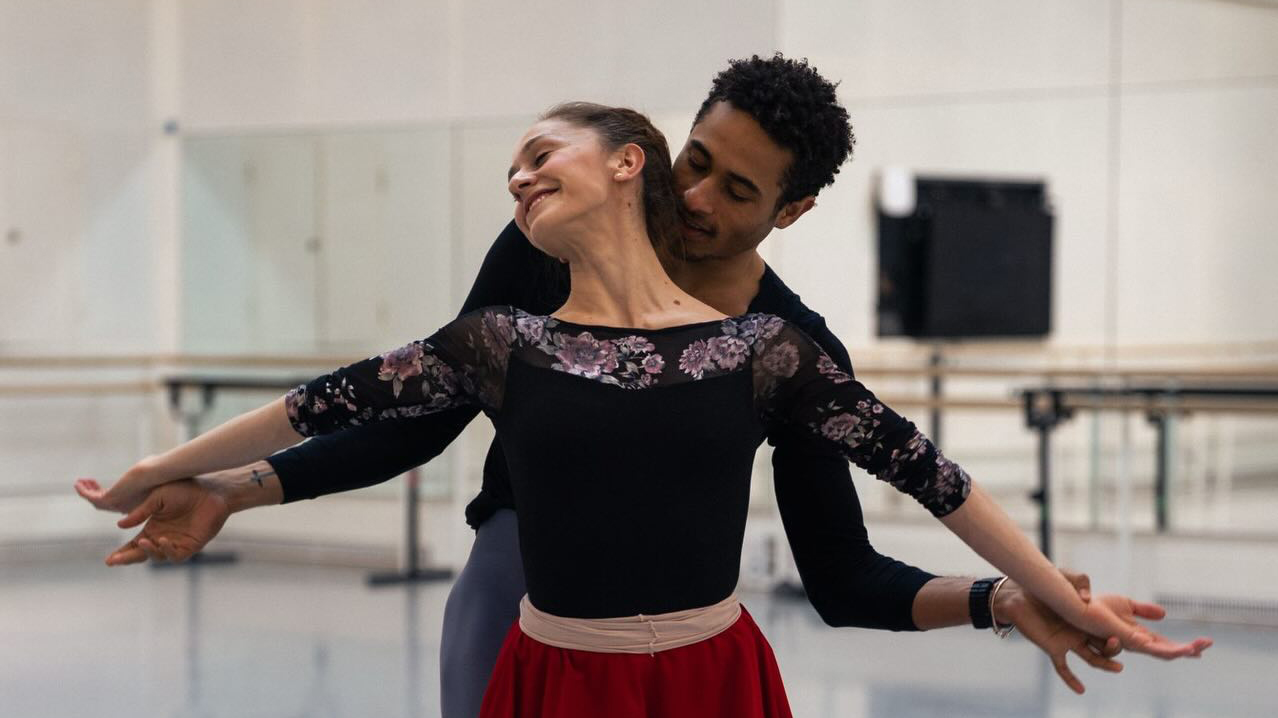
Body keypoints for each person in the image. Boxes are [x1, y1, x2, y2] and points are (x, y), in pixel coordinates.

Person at [78, 94, 1209, 716]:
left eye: (740, 187)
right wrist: (225, 482)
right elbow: (403, 413)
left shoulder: (786, 348)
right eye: (696, 159)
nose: (698, 196)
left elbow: (850, 562)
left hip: (698, 629)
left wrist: (1021, 596)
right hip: (531, 591)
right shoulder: (537, 260)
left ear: (794, 210)